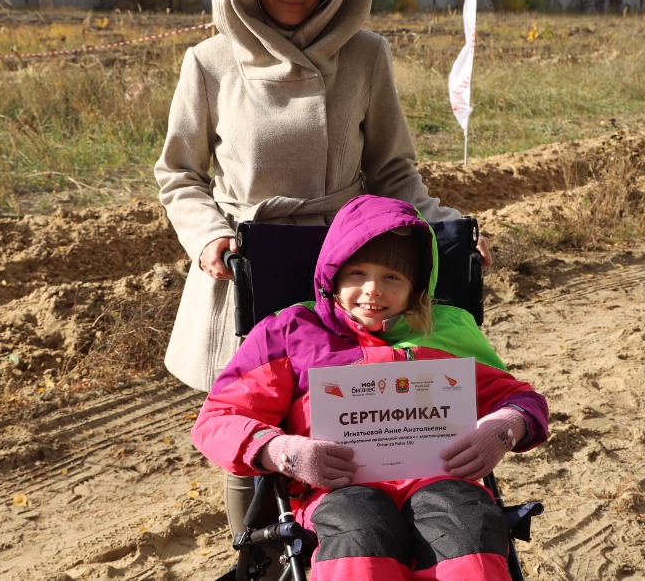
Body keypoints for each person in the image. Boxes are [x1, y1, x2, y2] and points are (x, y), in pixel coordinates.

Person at [154, 0, 491, 535]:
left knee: (367, 410)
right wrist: (209, 238)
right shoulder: (210, 62)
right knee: (255, 417)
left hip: (354, 263)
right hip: (249, 260)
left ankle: (371, 531)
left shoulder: (364, 56)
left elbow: (393, 170)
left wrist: (449, 232)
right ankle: (254, 550)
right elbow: (179, 174)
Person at [192, 194, 548, 580]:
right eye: (358, 273)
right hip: (338, 491)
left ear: (416, 287)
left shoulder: (448, 330)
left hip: (441, 480)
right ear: (333, 275)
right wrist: (282, 451)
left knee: (467, 523)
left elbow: (522, 399)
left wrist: (504, 428)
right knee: (357, 531)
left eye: (392, 277)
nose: (373, 289)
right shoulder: (290, 331)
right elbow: (220, 417)